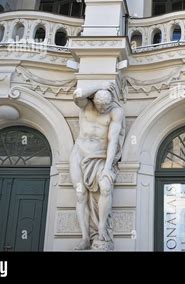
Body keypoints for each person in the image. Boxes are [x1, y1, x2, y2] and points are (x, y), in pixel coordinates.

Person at [70, 81, 125, 250]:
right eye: (101, 106)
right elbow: (78, 94)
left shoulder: (115, 112)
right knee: (80, 195)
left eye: (106, 106)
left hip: (100, 156)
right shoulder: (86, 105)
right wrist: (100, 85)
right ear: (94, 100)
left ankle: (101, 227)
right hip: (79, 154)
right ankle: (85, 238)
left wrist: (108, 167)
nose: (103, 109)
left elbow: (113, 141)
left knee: (106, 187)